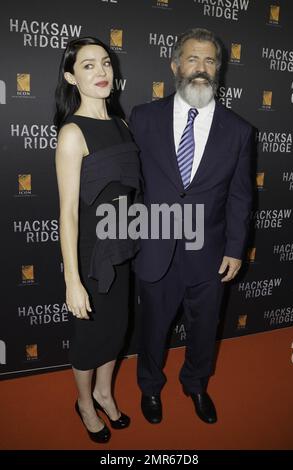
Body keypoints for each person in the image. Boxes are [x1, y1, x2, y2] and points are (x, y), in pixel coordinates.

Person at [130, 28, 253, 425]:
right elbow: (132, 186)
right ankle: (150, 387)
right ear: (175, 65)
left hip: (211, 255)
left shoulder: (239, 130)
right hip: (155, 251)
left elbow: (240, 196)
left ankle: (196, 383)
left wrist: (236, 248)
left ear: (219, 69)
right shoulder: (144, 117)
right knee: (152, 330)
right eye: (192, 59)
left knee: (204, 332)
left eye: (210, 61)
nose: (201, 68)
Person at [54, 37, 141, 442]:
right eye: (88, 66)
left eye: (105, 63)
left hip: (121, 246)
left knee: (117, 329)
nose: (101, 71)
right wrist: (73, 279)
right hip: (91, 256)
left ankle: (105, 392)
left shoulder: (122, 126)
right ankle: (85, 403)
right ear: (72, 76)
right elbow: (68, 212)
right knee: (90, 339)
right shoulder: (72, 133)